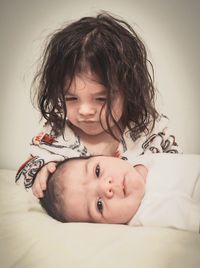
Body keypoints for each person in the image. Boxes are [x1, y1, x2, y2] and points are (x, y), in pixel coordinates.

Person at [15, 12, 181, 198]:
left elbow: (177, 167)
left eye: (101, 99)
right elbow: (24, 172)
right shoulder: (56, 136)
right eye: (71, 99)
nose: (85, 111)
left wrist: (147, 170)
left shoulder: (147, 130)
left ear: (129, 91)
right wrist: (41, 173)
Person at [41, 153, 200, 233]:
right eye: (99, 205)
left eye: (97, 171)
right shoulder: (148, 213)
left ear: (107, 155)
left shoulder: (136, 159)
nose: (106, 186)